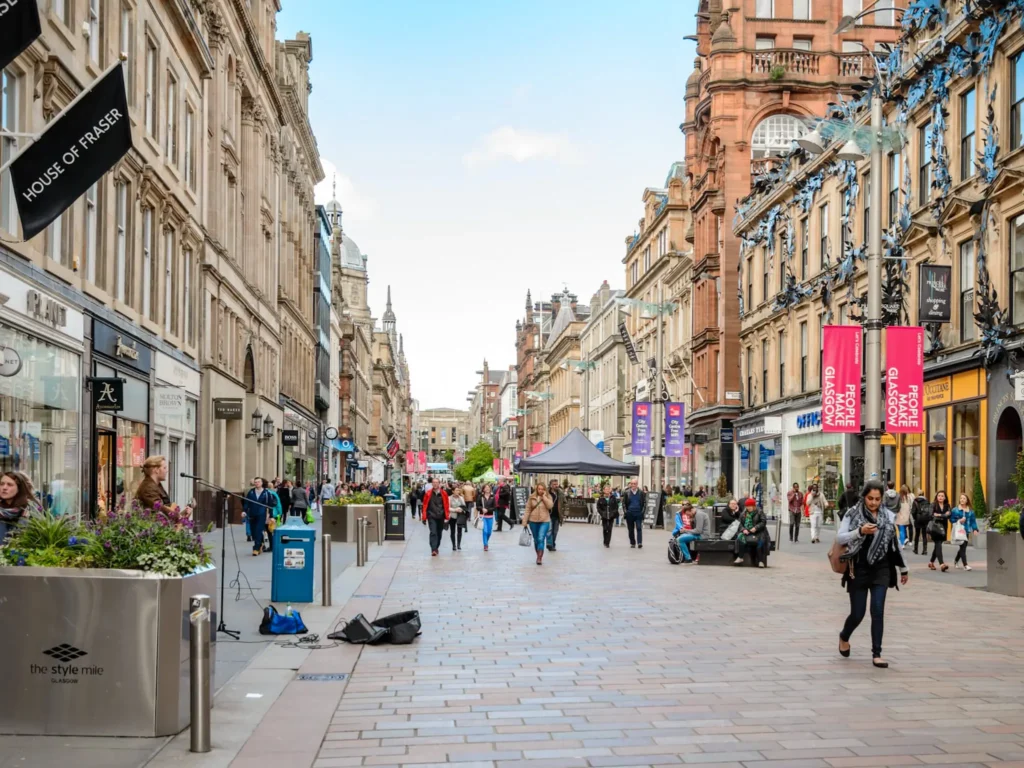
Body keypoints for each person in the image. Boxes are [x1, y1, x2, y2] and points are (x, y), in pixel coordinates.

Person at [836, 479, 909, 668]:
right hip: (858, 568)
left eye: (877, 499)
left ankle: (877, 653)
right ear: (864, 496)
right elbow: (840, 537)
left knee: (877, 610)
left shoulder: (887, 515)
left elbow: (895, 544)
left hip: (881, 569)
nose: (874, 503)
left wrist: (903, 568)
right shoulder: (852, 514)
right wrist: (859, 531)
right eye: (870, 498)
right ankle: (844, 636)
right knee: (858, 614)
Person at [522, 482, 554, 565]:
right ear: (536, 489)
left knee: (541, 538)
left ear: (545, 489)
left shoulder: (548, 496)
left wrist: (544, 497)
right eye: (539, 489)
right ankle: (538, 555)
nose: (540, 490)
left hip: (544, 521)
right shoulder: (532, 497)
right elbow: (528, 509)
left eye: (542, 489)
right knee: (536, 540)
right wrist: (525, 521)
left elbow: (550, 506)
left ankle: (539, 558)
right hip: (533, 521)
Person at [0, 471, 37, 541]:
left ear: (19, 489)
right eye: (1, 484)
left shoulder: (31, 509)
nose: (4, 487)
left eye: (9, 485)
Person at [733, 498, 769, 567]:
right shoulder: (744, 513)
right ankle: (740, 557)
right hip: (747, 532)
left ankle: (760, 561)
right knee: (740, 537)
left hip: (758, 532)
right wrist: (743, 529)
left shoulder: (759, 512)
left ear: (753, 506)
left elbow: (763, 522)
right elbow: (740, 523)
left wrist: (756, 528)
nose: (748, 508)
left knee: (760, 542)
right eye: (747, 506)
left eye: (750, 506)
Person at [243, 477, 273, 556]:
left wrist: (271, 516)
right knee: (253, 531)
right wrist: (244, 511)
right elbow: (247, 503)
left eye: (258, 482)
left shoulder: (266, 493)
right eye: (255, 482)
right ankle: (260, 544)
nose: (257, 483)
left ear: (262, 483)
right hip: (252, 514)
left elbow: (270, 505)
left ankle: (256, 548)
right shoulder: (251, 492)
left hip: (262, 514)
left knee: (258, 530)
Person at [421, 477, 450, 556]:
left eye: (437, 482)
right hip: (431, 516)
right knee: (433, 532)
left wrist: (447, 515)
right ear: (432, 484)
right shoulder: (428, 493)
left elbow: (446, 505)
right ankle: (433, 549)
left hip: (441, 516)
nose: (435, 484)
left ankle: (436, 547)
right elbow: (424, 505)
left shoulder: (444, 493)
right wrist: (424, 516)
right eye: (434, 482)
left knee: (439, 533)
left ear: (439, 484)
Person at [950, 493, 979, 571]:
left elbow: (973, 521)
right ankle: (965, 565)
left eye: (964, 498)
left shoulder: (970, 511)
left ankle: (956, 561)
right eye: (961, 498)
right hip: (959, 530)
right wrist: (959, 520)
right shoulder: (955, 510)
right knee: (963, 548)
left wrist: (975, 529)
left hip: (966, 531)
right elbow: (951, 519)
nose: (962, 500)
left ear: (967, 501)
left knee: (962, 548)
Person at [928, 490, 952, 572]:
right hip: (935, 527)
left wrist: (939, 515)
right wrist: (943, 515)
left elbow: (949, 515)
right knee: (938, 544)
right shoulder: (933, 505)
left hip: (943, 527)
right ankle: (942, 564)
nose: (940, 497)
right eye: (939, 496)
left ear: (945, 497)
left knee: (937, 545)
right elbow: (931, 515)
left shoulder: (947, 505)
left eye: (942, 496)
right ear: (936, 497)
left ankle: (931, 562)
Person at [622, 478, 646, 549]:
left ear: (637, 484)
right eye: (632, 484)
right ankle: (632, 542)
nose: (633, 485)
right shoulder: (627, 492)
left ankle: (639, 542)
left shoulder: (641, 493)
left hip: (638, 513)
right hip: (630, 513)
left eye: (634, 484)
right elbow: (624, 503)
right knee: (631, 529)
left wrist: (642, 512)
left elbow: (644, 503)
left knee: (639, 528)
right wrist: (626, 512)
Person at [911, 488, 931, 555]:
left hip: (918, 519)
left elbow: (913, 511)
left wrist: (915, 518)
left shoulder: (915, 501)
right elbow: (929, 511)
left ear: (918, 494)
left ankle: (915, 549)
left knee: (917, 534)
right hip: (925, 520)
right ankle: (924, 550)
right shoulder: (927, 501)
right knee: (924, 535)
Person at [546, 479, 563, 551]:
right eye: (554, 484)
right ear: (550, 485)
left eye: (557, 484)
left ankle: (552, 543)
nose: (556, 486)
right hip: (548, 515)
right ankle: (550, 544)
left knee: (555, 531)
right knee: (549, 530)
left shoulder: (560, 493)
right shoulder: (546, 493)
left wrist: (563, 511)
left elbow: (564, 502)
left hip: (557, 515)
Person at [448, 486, 467, 551]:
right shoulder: (449, 498)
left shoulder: (461, 498)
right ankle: (454, 545)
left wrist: (461, 509)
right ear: (453, 491)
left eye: (458, 490)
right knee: (452, 531)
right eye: (456, 490)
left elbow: (464, 506)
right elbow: (448, 507)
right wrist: (455, 510)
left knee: (460, 531)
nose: (457, 492)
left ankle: (459, 544)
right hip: (452, 516)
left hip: (460, 516)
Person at [896, 485, 913, 549]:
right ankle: (904, 539)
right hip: (907, 515)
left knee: (901, 529)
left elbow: (897, 506)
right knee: (903, 528)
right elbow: (911, 506)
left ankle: (902, 541)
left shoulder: (899, 497)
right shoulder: (909, 498)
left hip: (900, 514)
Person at [479, 483, 495, 550]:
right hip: (483, 517)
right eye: (486, 487)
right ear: (483, 489)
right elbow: (477, 506)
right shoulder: (480, 497)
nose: (487, 489)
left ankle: (486, 541)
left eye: (488, 487)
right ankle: (485, 545)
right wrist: (481, 509)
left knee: (489, 532)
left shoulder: (492, 497)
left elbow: (495, 507)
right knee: (485, 531)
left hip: (490, 516)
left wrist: (487, 510)